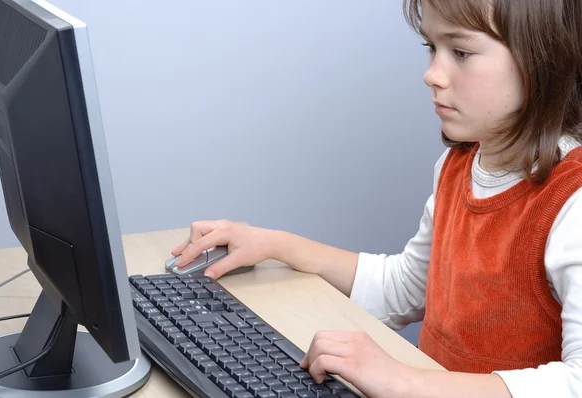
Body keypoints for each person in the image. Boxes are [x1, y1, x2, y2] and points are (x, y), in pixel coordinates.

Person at [170, 0, 582, 396]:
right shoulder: (458, 167)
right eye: (431, 48)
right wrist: (275, 245)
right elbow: (403, 288)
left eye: (460, 51)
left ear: (542, 57)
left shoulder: (572, 200)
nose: (432, 74)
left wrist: (404, 382)